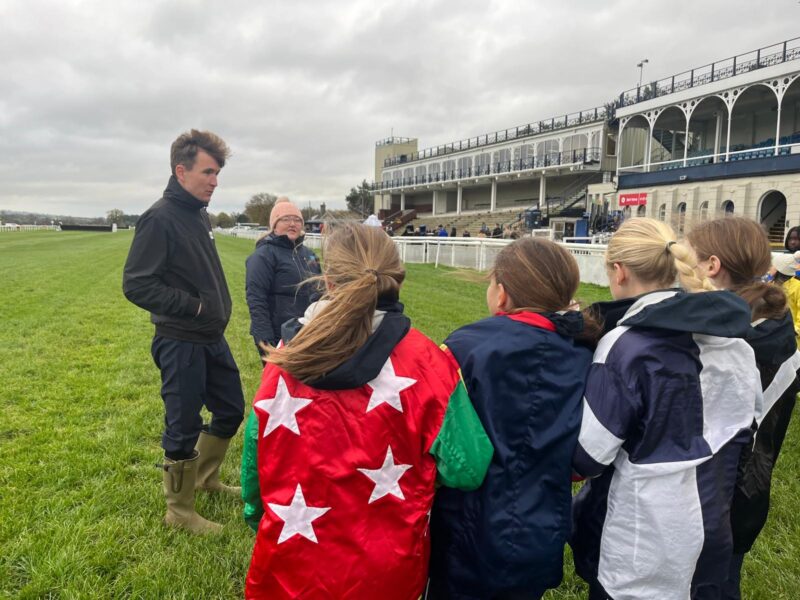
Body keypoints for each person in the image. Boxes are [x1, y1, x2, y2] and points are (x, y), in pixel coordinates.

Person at [241, 223, 493, 599]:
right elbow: (468, 468)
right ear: (397, 280)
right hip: (388, 572)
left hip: (292, 567)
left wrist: (255, 513)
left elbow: (255, 461)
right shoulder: (428, 362)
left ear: (326, 280)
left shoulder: (285, 356)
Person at [571, 217, 762, 600]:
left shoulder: (625, 344)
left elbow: (588, 456)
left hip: (641, 549)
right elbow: (748, 433)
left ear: (619, 271)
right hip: (712, 536)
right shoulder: (739, 343)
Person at [428, 238, 595, 600]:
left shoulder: (463, 347)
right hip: (541, 535)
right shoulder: (587, 353)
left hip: (465, 535)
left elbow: (437, 442)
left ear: (501, 294)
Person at [123, 129, 244, 534]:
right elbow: (137, 284)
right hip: (180, 340)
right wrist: (193, 306)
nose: (215, 181)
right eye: (208, 172)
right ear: (181, 170)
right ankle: (179, 510)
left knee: (230, 408)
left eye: (217, 173)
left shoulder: (199, 214)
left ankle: (205, 478)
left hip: (212, 338)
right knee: (183, 424)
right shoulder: (159, 218)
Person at [688, 217, 800, 599]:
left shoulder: (722, 342)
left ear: (712, 266)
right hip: (747, 500)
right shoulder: (779, 326)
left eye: (691, 260)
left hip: (701, 504)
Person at [245, 198, 321, 359]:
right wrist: (265, 338)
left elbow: (320, 290)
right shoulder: (263, 255)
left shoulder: (308, 254)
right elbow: (256, 298)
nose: (292, 223)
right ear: (274, 225)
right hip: (278, 334)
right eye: (285, 219)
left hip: (307, 332)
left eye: (297, 219)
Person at [771, 252, 800, 348]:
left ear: (778, 270)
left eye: (772, 266)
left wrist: (793, 331)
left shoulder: (797, 287)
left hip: (793, 340)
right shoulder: (771, 286)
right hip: (776, 337)